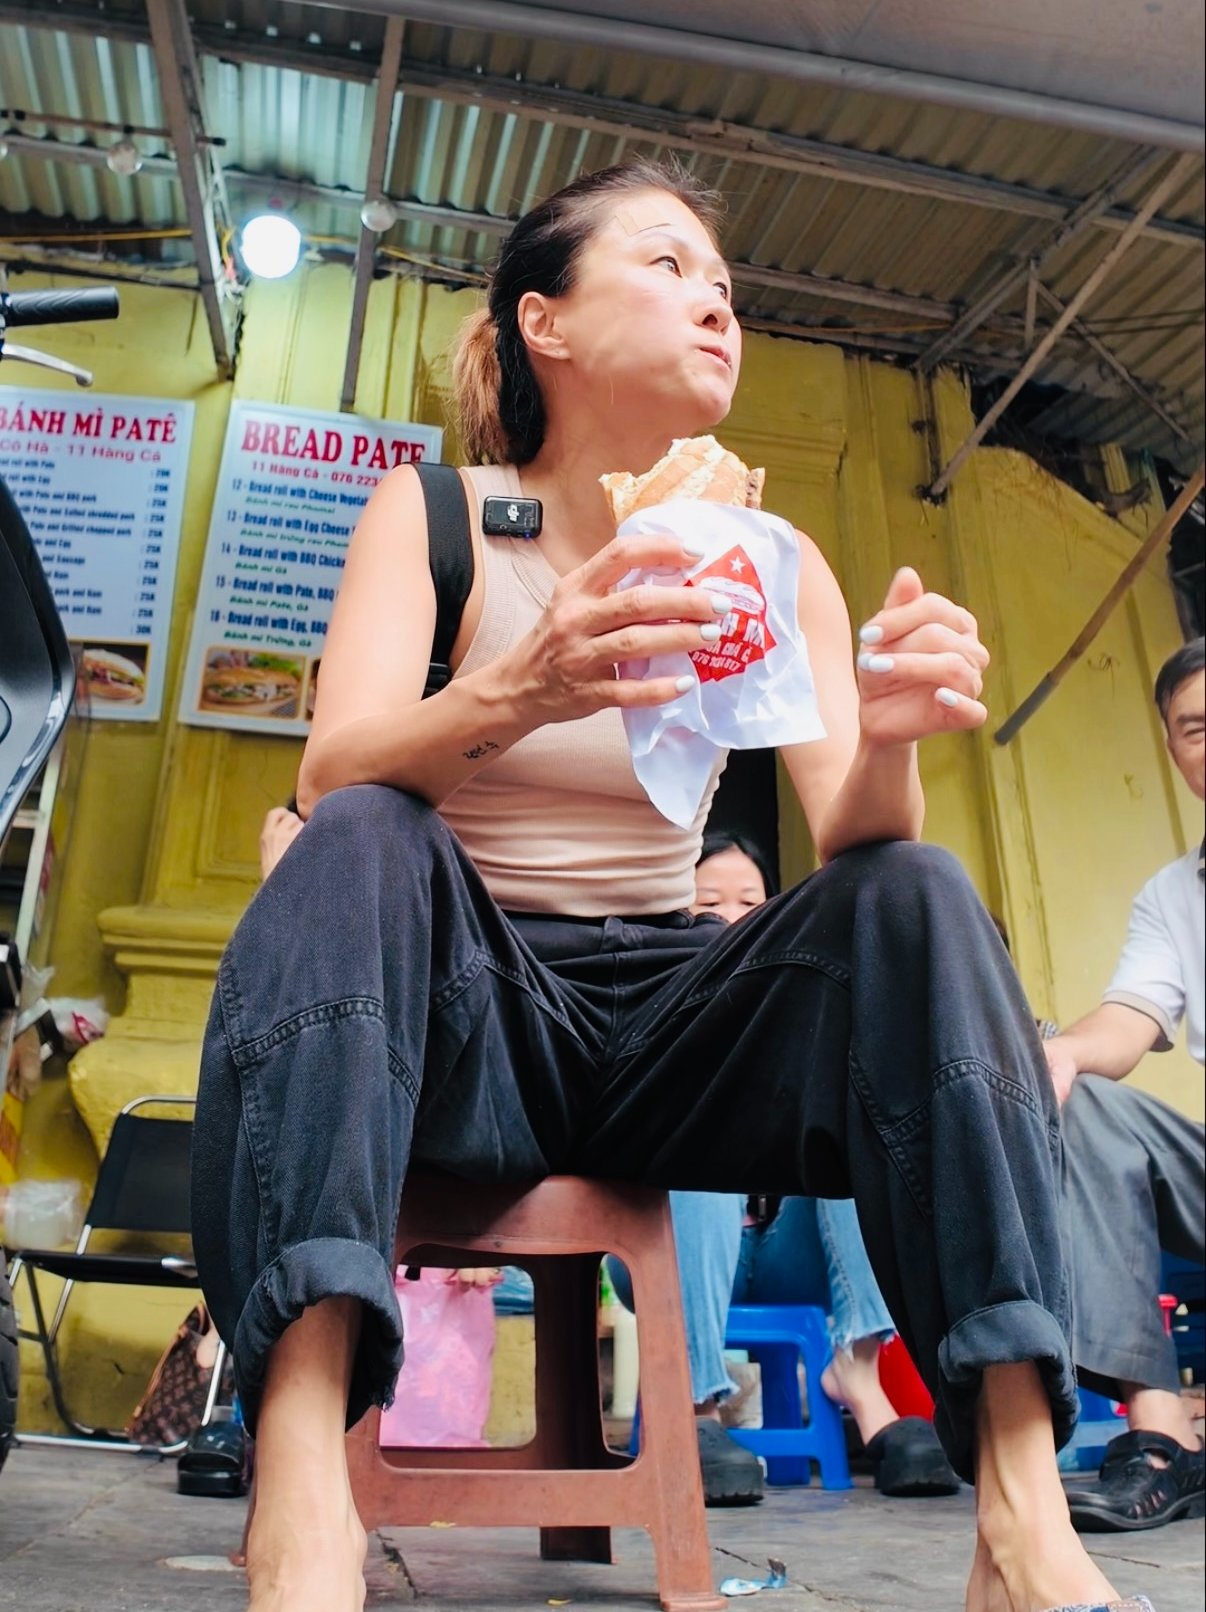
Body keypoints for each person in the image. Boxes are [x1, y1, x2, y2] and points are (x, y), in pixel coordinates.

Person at [192, 159, 1145, 1612]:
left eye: (725, 285)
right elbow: (332, 769)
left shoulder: (774, 561)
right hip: (471, 1011)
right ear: (547, 326)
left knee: (921, 893)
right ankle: (304, 1484)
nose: (715, 303)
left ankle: (1020, 1515)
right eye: (666, 265)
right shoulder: (436, 517)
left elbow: (853, 838)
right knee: (361, 836)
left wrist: (886, 737)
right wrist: (520, 686)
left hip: (669, 1020)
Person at [613, 832, 960, 1505]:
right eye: (709, 900)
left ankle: (858, 1378)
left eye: (751, 900)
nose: (732, 916)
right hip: (656, 1244)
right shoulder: (639, 985)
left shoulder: (806, 999)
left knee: (859, 1128)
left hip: (779, 1250)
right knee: (695, 1150)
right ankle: (696, 1411)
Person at [1042, 637, 1204, 1534]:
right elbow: (1130, 1020)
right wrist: (1060, 1054)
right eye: (1194, 728)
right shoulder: (1171, 897)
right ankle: (1162, 1433)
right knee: (1086, 1102)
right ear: (1176, 754)